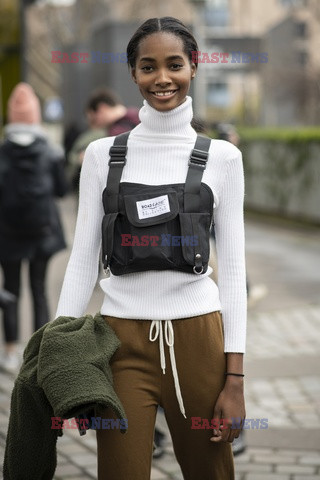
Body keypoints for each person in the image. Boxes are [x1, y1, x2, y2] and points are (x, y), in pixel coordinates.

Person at [55, 17, 247, 480]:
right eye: (148, 67)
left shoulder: (223, 157)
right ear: (133, 73)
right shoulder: (101, 156)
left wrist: (235, 380)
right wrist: (57, 360)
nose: (162, 78)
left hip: (200, 341)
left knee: (211, 472)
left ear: (194, 67)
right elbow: (83, 259)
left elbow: (235, 271)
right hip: (119, 344)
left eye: (174, 64)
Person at [0, 82, 68, 372]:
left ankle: (10, 351)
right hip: (43, 231)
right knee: (39, 289)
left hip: (8, 233)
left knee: (11, 289)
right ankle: (41, 352)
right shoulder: (50, 151)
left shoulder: (2, 152)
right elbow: (63, 191)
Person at [68, 88, 139, 191]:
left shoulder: (117, 132)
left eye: (94, 119)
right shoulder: (138, 116)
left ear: (102, 108)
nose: (95, 126)